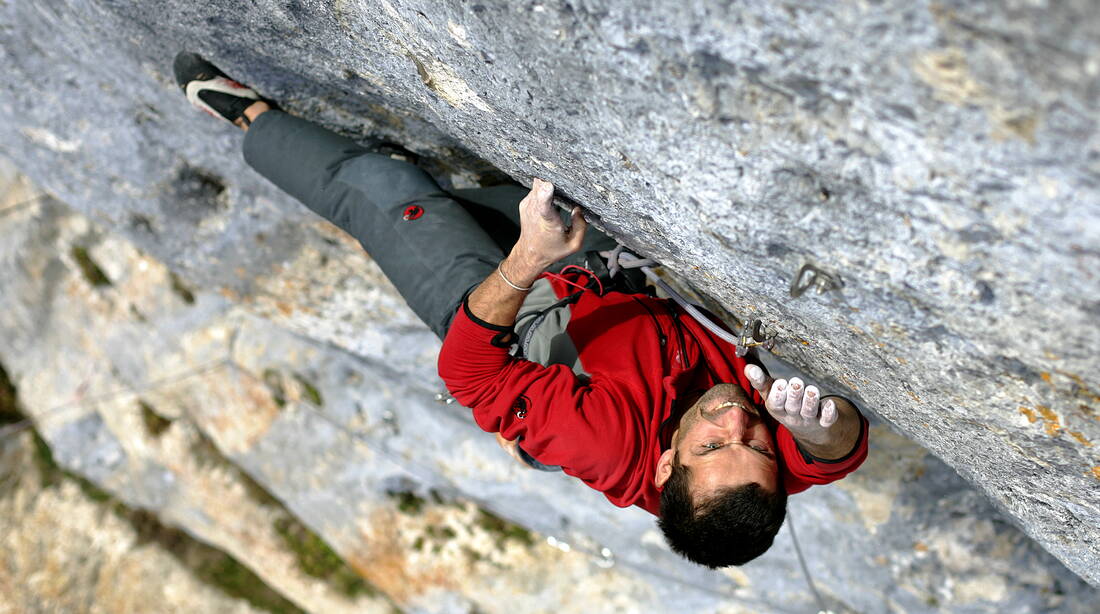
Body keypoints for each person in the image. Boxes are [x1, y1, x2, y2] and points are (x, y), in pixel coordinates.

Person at [175, 52, 869, 568]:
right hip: (596, 281)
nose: (738, 422)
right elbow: (835, 455)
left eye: (712, 442)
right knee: (466, 192)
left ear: (664, 468)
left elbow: (469, 374)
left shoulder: (611, 442)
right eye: (755, 445)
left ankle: (246, 117)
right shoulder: (747, 475)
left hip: (508, 336)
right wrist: (822, 428)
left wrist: (528, 257)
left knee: (380, 187)